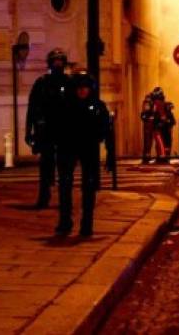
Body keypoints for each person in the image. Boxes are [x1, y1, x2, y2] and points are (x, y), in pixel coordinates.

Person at [56, 70, 114, 237]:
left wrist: (110, 154)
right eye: (79, 87)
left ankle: (86, 224)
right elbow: (57, 128)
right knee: (65, 185)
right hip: (69, 147)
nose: (82, 91)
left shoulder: (98, 106)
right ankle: (65, 221)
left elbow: (107, 131)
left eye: (85, 88)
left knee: (89, 186)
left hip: (89, 148)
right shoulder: (66, 105)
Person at [25, 48, 70, 209]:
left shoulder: (69, 83)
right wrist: (29, 130)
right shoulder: (42, 83)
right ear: (50, 63)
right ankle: (44, 197)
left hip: (64, 131)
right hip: (46, 131)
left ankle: (65, 198)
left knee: (65, 167)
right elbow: (32, 108)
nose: (58, 64)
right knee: (45, 167)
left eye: (60, 61)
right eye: (55, 61)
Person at [150, 87, 176, 163]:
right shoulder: (155, 107)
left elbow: (172, 121)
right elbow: (154, 117)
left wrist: (166, 122)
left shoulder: (164, 107)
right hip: (159, 129)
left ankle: (164, 158)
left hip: (164, 130)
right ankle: (161, 157)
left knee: (165, 144)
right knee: (160, 144)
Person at [140, 95, 155, 164]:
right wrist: (148, 118)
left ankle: (147, 156)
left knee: (149, 142)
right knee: (147, 142)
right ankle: (146, 157)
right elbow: (143, 116)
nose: (146, 106)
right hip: (147, 127)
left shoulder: (151, 111)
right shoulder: (145, 112)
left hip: (150, 127)